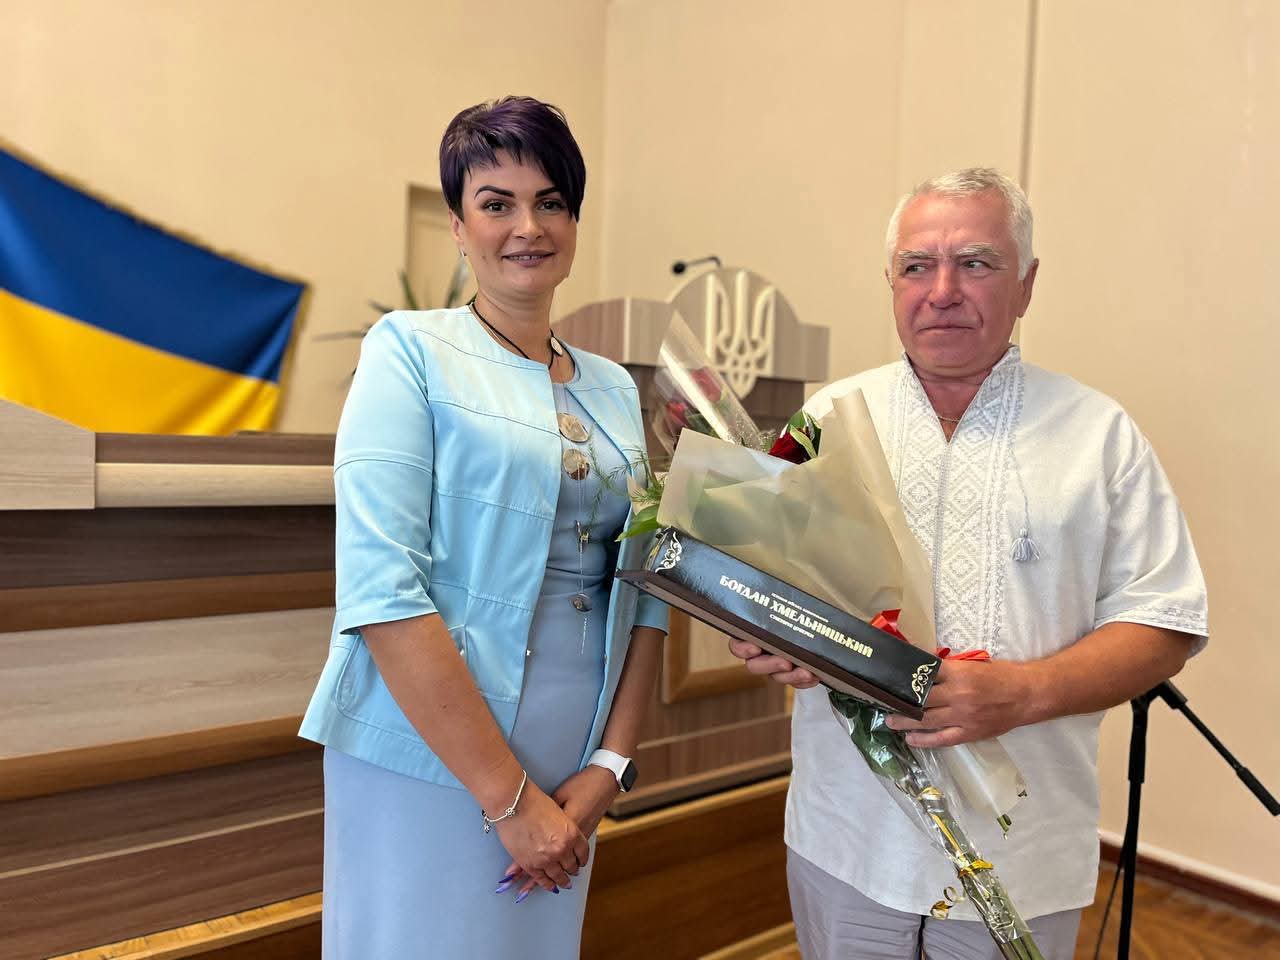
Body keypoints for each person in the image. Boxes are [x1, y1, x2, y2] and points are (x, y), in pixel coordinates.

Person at [729, 168, 1208, 960]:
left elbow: (1164, 622)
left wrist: (1023, 692)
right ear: (891, 283)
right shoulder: (827, 420)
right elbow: (766, 585)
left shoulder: (1097, 435)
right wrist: (765, 635)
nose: (942, 291)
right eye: (917, 266)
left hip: (1022, 846)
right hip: (849, 839)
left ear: (1026, 285)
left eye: (976, 263)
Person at [299, 96, 667, 959]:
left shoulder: (615, 386)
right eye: (496, 203)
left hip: (572, 755)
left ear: (574, 222)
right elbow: (383, 590)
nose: (527, 227)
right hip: (431, 751)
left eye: (550, 202)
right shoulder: (408, 350)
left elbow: (647, 585)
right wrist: (508, 799)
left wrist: (610, 766)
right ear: (459, 227)